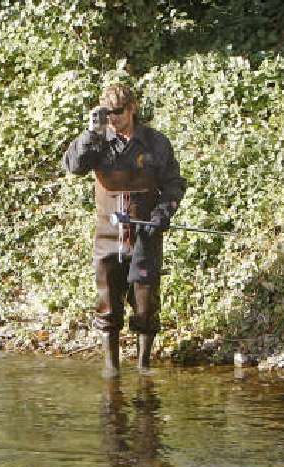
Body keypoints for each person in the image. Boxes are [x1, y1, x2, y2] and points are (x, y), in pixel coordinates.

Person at [62, 84, 186, 377]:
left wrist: (162, 213)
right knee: (107, 300)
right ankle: (111, 368)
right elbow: (73, 166)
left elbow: (174, 184)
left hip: (145, 233)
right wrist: (90, 134)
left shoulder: (156, 143)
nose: (113, 118)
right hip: (107, 234)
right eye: (107, 112)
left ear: (133, 108)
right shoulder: (98, 141)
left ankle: (144, 366)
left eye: (118, 112)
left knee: (145, 300)